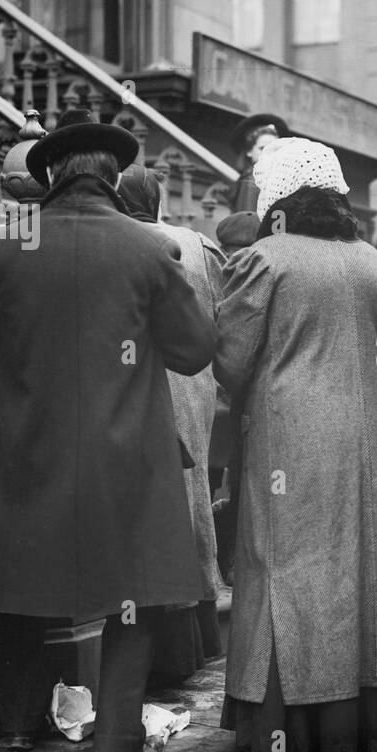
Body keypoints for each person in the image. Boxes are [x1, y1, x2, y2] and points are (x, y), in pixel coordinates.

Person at [0, 109, 216, 752]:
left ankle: (18, 728)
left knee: (23, 581)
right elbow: (196, 352)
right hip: (125, 461)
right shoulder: (148, 249)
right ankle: (112, 750)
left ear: (48, 175)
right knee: (128, 602)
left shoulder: (4, 245)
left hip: (23, 454)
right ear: (115, 177)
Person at [214, 137, 377, 752]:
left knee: (287, 567)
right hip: (368, 448)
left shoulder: (263, 260)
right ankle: (371, 730)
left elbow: (230, 361)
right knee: (368, 569)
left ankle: (289, 734)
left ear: (277, 197)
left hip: (288, 447)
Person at [117, 164, 227, 673]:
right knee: (195, 497)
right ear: (159, 200)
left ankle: (163, 645)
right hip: (195, 386)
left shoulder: (116, 240)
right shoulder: (200, 244)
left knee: (148, 512)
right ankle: (200, 631)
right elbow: (222, 319)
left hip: (141, 387)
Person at [225, 113, 288, 215]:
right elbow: (248, 224)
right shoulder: (252, 182)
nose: (269, 153)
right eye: (262, 148)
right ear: (249, 151)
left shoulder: (276, 181)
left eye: (275, 149)